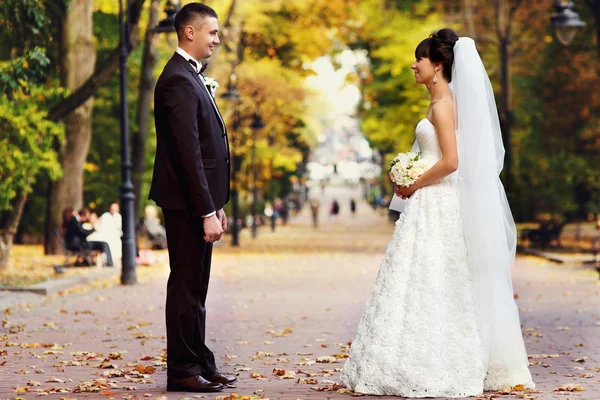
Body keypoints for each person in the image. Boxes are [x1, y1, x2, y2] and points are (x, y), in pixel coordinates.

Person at [340, 29, 534, 397]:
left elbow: (450, 161)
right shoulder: (439, 102)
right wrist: (408, 170)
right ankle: (410, 357)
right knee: (426, 280)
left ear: (439, 65)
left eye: (420, 59)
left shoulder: (444, 106)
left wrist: (413, 183)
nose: (414, 65)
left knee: (438, 280)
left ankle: (439, 363)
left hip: (438, 200)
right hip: (431, 201)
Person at [148, 3, 234, 393]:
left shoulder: (191, 77)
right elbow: (188, 154)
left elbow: (206, 148)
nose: (217, 39)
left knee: (196, 287)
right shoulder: (177, 80)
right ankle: (182, 370)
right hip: (185, 204)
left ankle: (198, 361)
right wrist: (204, 210)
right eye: (212, 33)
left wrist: (216, 205)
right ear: (190, 33)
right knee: (185, 286)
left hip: (197, 203)